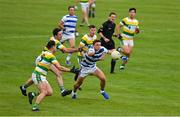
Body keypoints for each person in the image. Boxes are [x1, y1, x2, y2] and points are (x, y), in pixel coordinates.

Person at [20, 28, 81, 97]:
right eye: (59, 34)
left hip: (44, 58)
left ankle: (23, 87)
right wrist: (78, 50)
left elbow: (63, 51)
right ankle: (62, 90)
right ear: (55, 35)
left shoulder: (53, 39)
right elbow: (66, 50)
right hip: (44, 59)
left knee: (39, 76)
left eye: (61, 34)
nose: (61, 36)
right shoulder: (55, 42)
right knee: (47, 74)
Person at [27, 41, 79, 111]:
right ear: (53, 47)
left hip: (41, 75)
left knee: (50, 92)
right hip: (38, 75)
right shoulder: (51, 56)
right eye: (55, 46)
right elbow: (59, 67)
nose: (56, 48)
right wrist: (71, 70)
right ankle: (35, 107)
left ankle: (32, 94)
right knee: (44, 92)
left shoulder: (44, 52)